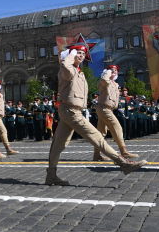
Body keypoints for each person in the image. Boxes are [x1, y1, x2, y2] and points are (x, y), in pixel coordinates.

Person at [46, 44, 146, 185]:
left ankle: (51, 175)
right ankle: (123, 163)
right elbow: (65, 67)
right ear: (71, 54)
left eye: (82, 54)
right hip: (70, 110)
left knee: (59, 144)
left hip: (73, 110)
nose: (81, 55)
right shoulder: (66, 69)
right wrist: (69, 55)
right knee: (96, 136)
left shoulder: (79, 72)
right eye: (78, 53)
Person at [93, 65, 138, 161]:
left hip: (109, 109)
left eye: (116, 70)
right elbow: (105, 80)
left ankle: (96, 155)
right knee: (116, 126)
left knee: (101, 133)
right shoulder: (103, 81)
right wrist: (107, 73)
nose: (114, 71)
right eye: (111, 70)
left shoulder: (115, 84)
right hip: (103, 108)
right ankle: (123, 151)